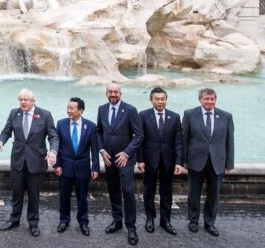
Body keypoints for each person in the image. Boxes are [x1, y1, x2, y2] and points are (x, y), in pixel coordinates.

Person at [0, 89, 59, 237]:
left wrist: (53, 151)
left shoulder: (45, 115)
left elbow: (53, 137)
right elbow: (6, 131)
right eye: (21, 100)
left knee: (34, 195)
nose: (23, 102)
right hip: (18, 161)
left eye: (26, 100)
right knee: (16, 193)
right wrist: (1, 141)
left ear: (33, 101)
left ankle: (33, 222)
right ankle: (14, 219)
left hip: (36, 162)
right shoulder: (14, 113)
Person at [182, 88, 234, 237]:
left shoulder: (226, 116)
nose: (209, 102)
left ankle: (209, 223)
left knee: (214, 195)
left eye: (212, 99)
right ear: (200, 100)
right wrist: (183, 160)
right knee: (193, 194)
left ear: (215, 100)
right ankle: (193, 221)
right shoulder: (189, 114)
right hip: (195, 161)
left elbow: (230, 141)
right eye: (206, 99)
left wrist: (229, 163)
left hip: (217, 162)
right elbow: (184, 138)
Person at [97, 83, 143, 246]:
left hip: (125, 159)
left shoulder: (130, 110)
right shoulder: (102, 109)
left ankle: (131, 228)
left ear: (120, 93)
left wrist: (126, 153)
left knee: (128, 192)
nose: (113, 94)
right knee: (113, 190)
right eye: (110, 91)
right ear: (106, 93)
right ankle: (117, 221)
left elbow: (138, 135)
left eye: (116, 91)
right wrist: (102, 150)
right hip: (109, 159)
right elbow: (99, 132)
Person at [137, 87, 183, 235]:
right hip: (149, 160)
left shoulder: (175, 117)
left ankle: (166, 220)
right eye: (157, 99)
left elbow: (178, 142)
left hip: (168, 161)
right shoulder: (143, 115)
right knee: (148, 191)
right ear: (151, 100)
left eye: (163, 99)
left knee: (167, 192)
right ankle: (150, 218)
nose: (160, 102)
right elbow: (139, 139)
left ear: (166, 100)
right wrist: (140, 160)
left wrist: (179, 162)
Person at [53, 97, 99, 236]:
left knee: (82, 197)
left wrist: (95, 168)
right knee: (64, 196)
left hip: (83, 168)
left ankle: (83, 222)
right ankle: (64, 220)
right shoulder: (61, 124)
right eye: (68, 108)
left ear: (80, 110)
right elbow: (57, 146)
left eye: (72, 108)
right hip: (65, 168)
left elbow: (94, 149)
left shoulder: (90, 126)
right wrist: (57, 165)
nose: (68, 111)